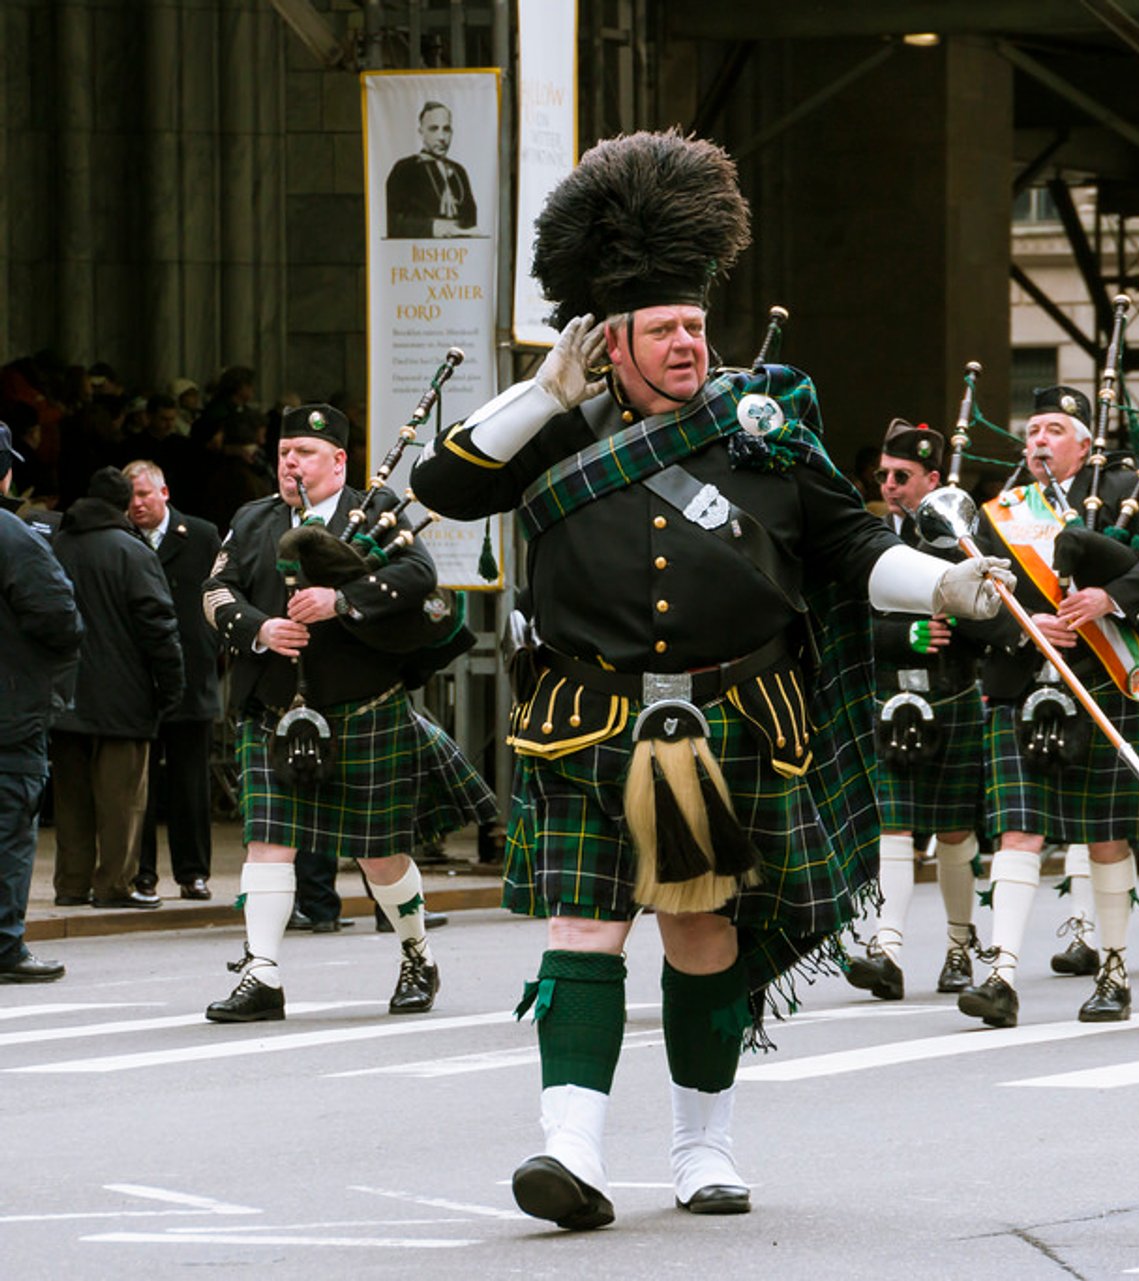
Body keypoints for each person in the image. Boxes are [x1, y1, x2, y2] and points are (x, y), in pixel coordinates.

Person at [409, 129, 1009, 1227]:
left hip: (737, 714)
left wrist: (951, 587)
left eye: (695, 324)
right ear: (608, 342)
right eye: (664, 330)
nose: (689, 344)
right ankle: (570, 1153)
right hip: (587, 719)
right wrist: (542, 395)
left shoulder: (762, 431)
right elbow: (442, 486)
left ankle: (701, 1149)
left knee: (702, 935)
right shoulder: (551, 432)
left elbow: (851, 547)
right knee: (581, 927)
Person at [201, 403, 496, 1023]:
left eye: (304, 453)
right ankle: (261, 973)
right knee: (268, 843)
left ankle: (417, 955)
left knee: (380, 853)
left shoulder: (379, 513)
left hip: (363, 707)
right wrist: (260, 629)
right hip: (277, 711)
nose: (290, 462)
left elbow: (418, 577)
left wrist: (342, 600)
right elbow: (216, 590)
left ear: (339, 461)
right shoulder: (253, 520)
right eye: (284, 453)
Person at [955, 385, 1139, 1029]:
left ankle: (1114, 974)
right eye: (1032, 429)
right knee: (1018, 831)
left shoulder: (1123, 493)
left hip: (1102, 682)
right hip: (1027, 687)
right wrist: (1023, 626)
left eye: (1055, 429)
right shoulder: (999, 511)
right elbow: (964, 598)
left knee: (1106, 835)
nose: (1039, 440)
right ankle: (1001, 975)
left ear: (1085, 444)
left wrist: (1109, 598)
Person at [843, 419, 989, 1000]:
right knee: (892, 826)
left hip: (951, 698)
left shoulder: (966, 540)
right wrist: (908, 638)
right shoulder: (866, 536)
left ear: (932, 478)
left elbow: (997, 617)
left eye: (902, 476)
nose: (891, 485)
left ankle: (959, 947)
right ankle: (888, 948)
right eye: (884, 475)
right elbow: (849, 621)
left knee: (954, 832)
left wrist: (961, 620)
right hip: (891, 700)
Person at [48, 468, 184, 911]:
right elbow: (158, 626)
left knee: (71, 798)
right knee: (122, 801)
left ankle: (71, 882)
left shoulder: (57, 546)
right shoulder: (133, 551)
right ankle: (115, 884)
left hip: (65, 694)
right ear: (125, 504)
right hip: (125, 697)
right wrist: (171, 686)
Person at [0, 423, 81, 981]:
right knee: (9, 828)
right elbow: (60, 619)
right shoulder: (13, 535)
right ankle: (5, 943)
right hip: (9, 714)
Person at [125, 462, 219, 900]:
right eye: (130, 497)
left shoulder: (199, 536)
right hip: (137, 679)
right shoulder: (121, 538)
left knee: (190, 782)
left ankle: (193, 871)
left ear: (164, 491)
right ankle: (141, 872)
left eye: (144, 494)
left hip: (192, 673)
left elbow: (222, 596)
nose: (137, 504)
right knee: (137, 784)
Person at [386, 101, 477, 238]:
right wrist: (434, 228)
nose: (441, 138)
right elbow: (392, 222)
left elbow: (471, 217)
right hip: (420, 253)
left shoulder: (458, 171)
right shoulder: (405, 169)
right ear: (421, 132)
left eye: (446, 129)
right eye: (433, 129)